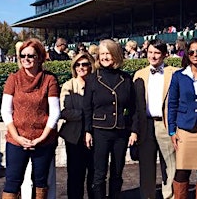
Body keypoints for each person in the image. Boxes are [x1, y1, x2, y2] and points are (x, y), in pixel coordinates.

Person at [0, 38, 60, 199]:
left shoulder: (49, 80)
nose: (26, 59)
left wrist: (42, 137)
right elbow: (6, 111)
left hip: (43, 140)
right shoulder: (13, 79)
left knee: (40, 182)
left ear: (39, 57)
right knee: (12, 181)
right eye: (22, 55)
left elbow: (55, 112)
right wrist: (18, 137)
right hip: (16, 140)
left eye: (30, 56)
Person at [83, 39, 137, 199]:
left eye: (109, 53)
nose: (105, 57)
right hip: (100, 131)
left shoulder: (126, 78)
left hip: (120, 131)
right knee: (99, 174)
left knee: (117, 172)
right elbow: (87, 108)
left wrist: (134, 130)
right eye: (102, 54)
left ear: (116, 55)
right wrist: (87, 131)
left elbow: (133, 107)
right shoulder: (93, 78)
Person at [167, 38, 197, 198]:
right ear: (187, 54)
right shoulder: (178, 76)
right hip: (184, 130)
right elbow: (172, 104)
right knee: (181, 172)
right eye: (191, 52)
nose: (195, 55)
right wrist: (172, 131)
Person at [132, 40, 178, 199]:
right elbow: (135, 105)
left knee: (170, 166)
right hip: (146, 125)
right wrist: (134, 130)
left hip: (165, 125)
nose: (153, 56)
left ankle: (170, 196)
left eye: (157, 53)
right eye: (150, 52)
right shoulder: (139, 74)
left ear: (165, 54)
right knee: (146, 167)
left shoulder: (174, 72)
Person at [59, 52, 96, 199]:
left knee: (94, 173)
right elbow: (63, 111)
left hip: (94, 134)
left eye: (85, 64)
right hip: (74, 136)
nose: (81, 67)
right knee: (75, 175)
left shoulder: (97, 84)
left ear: (91, 65)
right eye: (78, 64)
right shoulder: (69, 85)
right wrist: (86, 114)